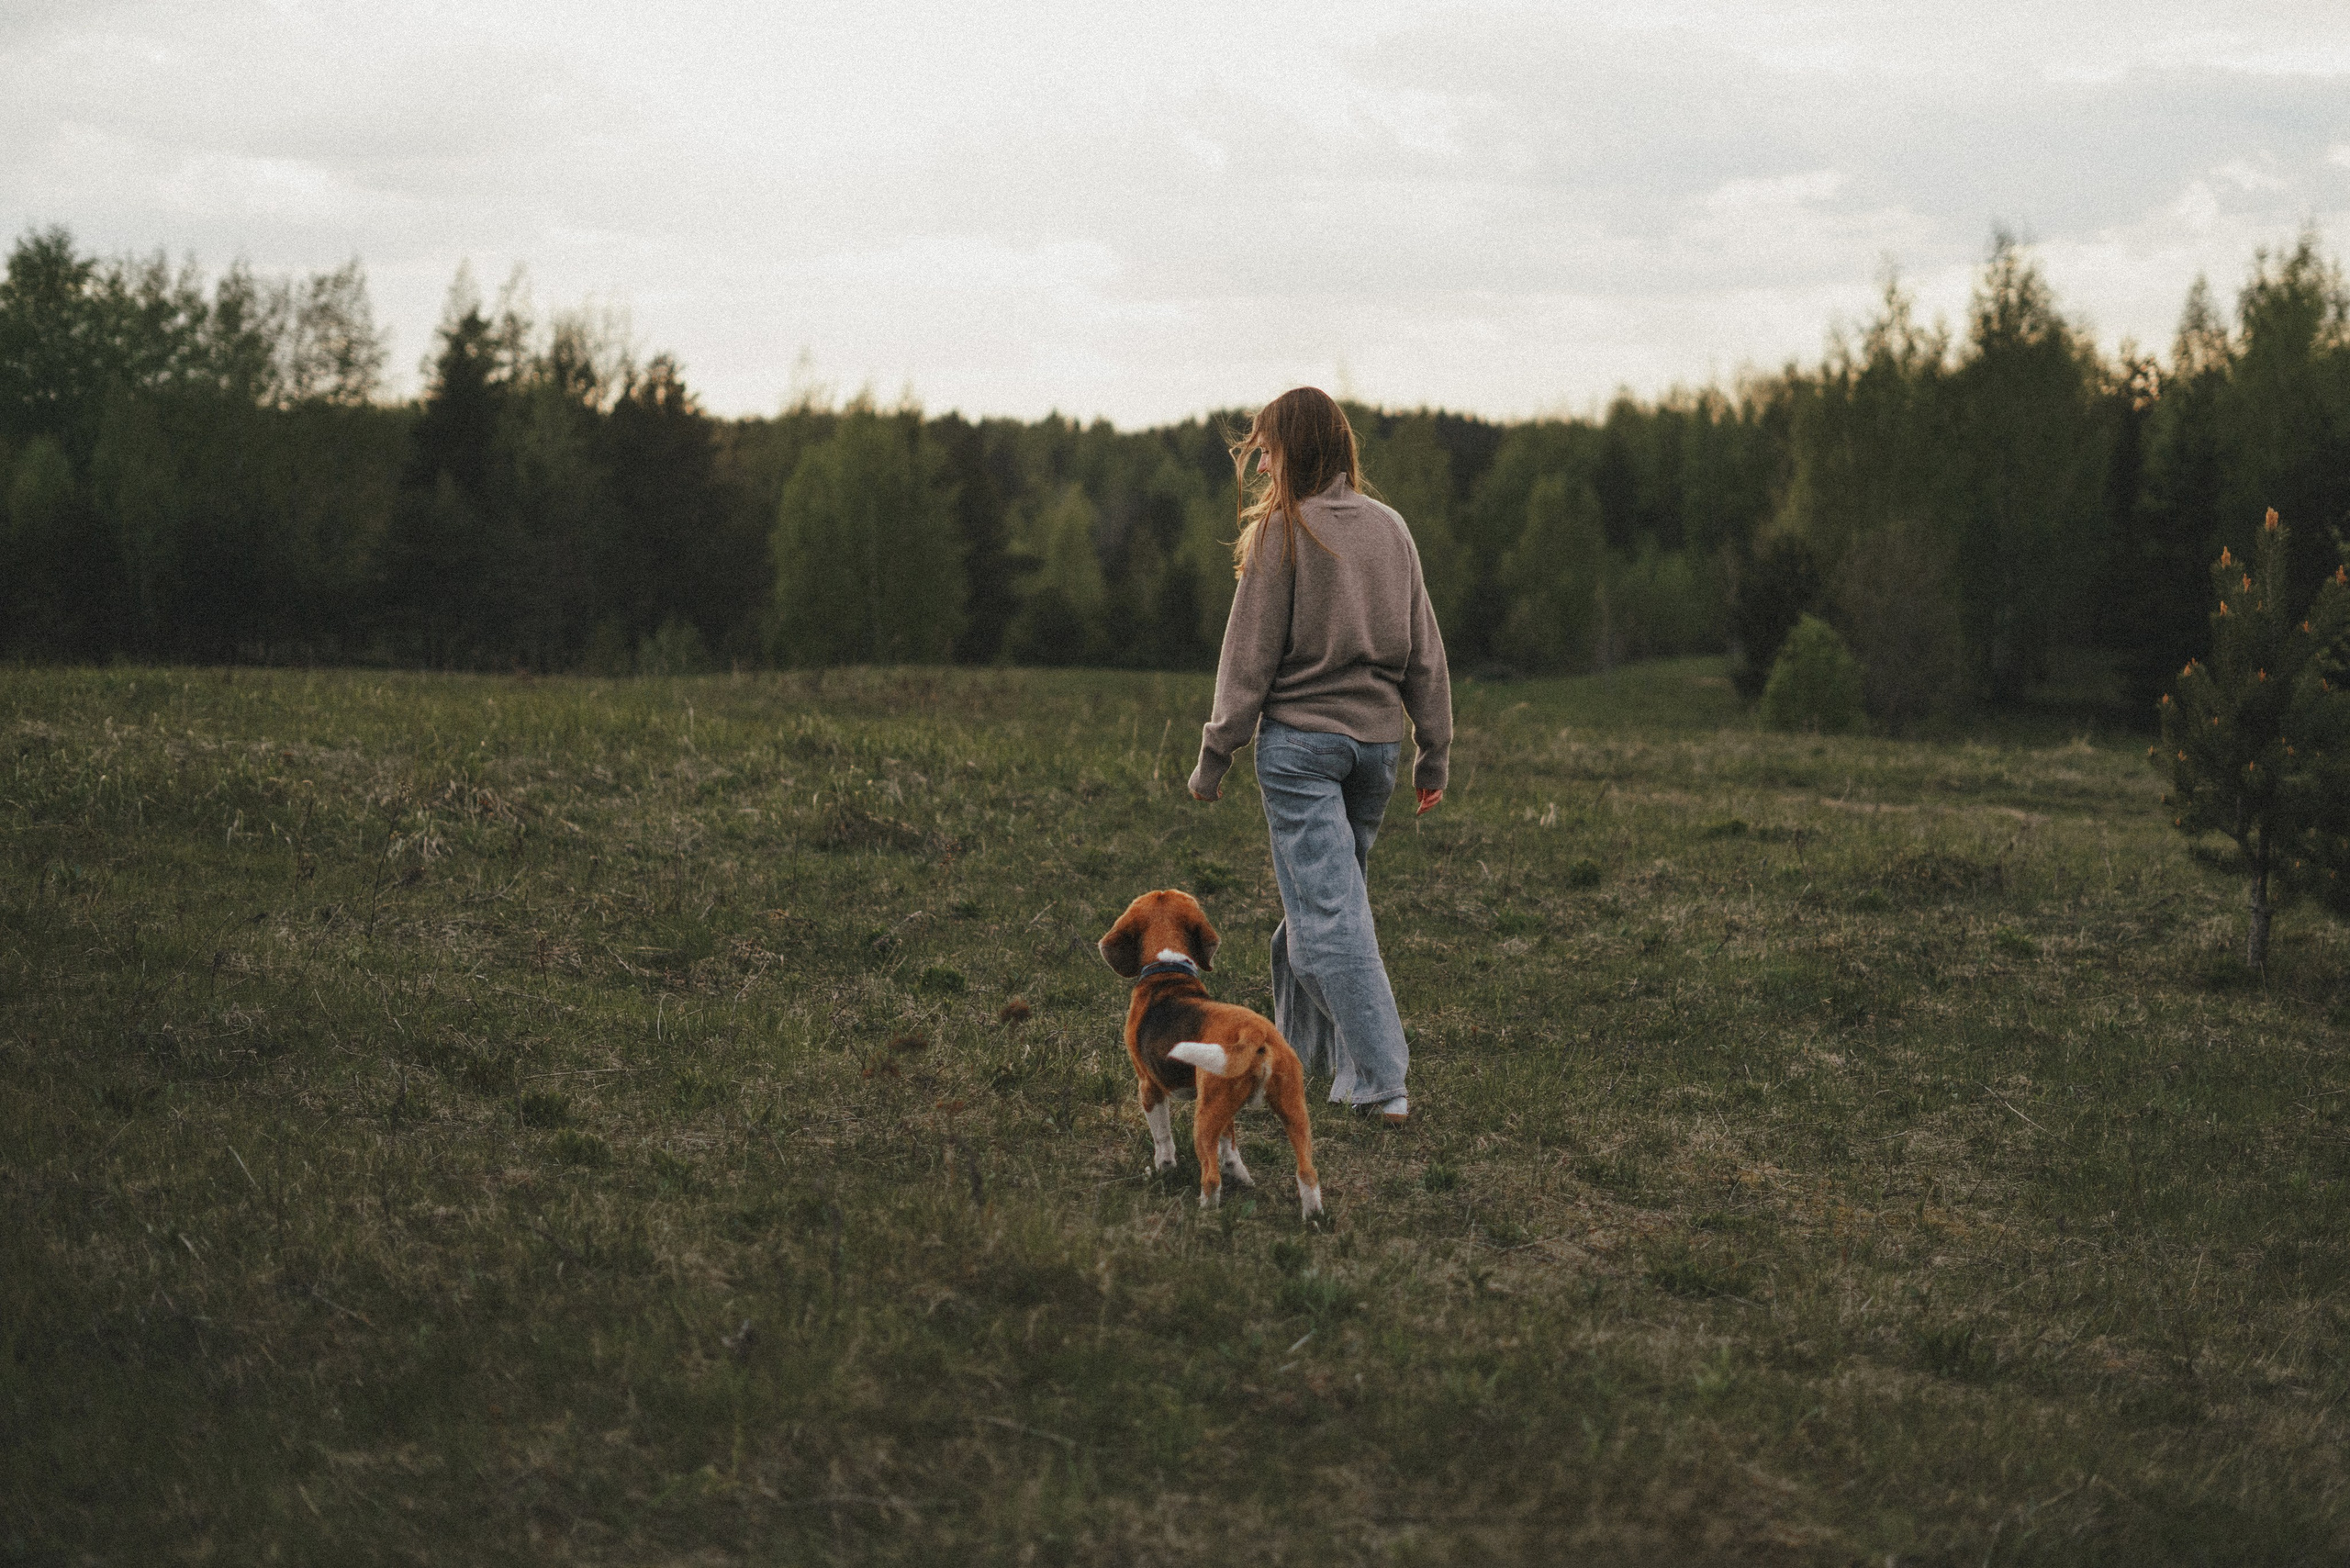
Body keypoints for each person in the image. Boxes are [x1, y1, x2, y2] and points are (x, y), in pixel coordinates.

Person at [1187, 386, 1452, 1126]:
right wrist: (1434, 752)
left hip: (1302, 752)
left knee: (1329, 917)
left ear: (1297, 449)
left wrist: (1216, 755)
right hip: (1376, 752)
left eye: (1267, 448)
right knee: (1317, 913)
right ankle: (1283, 1061)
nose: (1261, 462)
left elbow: (1247, 659)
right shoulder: (1392, 529)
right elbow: (1425, 652)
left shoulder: (1285, 531)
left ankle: (1381, 1081)